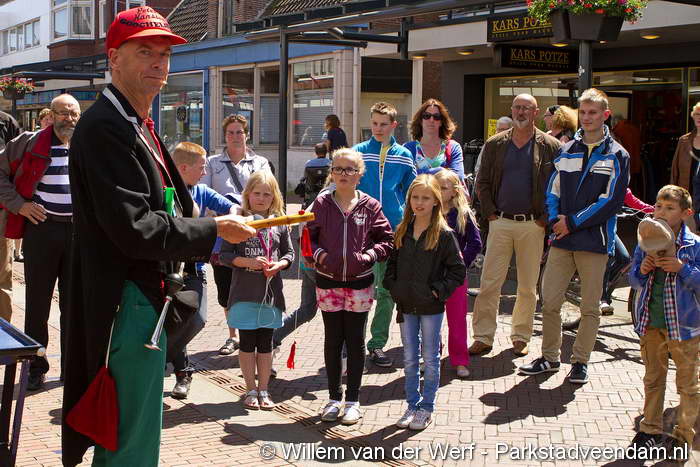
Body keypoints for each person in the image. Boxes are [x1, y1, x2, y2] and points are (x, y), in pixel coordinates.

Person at [62, 7, 256, 466]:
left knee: (133, 432)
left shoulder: (134, 121)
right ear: (114, 58)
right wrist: (214, 229)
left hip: (142, 298)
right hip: (128, 301)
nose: (158, 62)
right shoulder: (107, 126)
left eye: (164, 53)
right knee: (128, 439)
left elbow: (164, 208)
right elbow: (136, 227)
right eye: (145, 51)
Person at [520, 88, 630, 384]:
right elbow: (552, 190)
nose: (587, 117)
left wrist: (572, 222)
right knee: (550, 300)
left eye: (593, 112)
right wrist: (556, 220)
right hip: (563, 239)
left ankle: (580, 362)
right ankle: (550, 358)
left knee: (590, 308)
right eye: (583, 112)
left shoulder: (618, 154)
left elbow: (611, 201)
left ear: (605, 115)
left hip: (594, 242)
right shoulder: (567, 149)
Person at [0, 94, 81, 391]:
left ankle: (72, 367)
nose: (68, 119)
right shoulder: (29, 142)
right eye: (62, 113)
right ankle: (36, 367)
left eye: (73, 114)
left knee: (74, 304)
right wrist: (19, 204)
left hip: (77, 233)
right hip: (42, 230)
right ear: (51, 115)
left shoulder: (88, 144)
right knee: (37, 304)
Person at [469, 94, 560, 357]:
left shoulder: (550, 146)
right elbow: (482, 181)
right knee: (489, 283)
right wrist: (490, 213)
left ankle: (521, 336)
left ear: (535, 112)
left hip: (532, 224)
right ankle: (483, 337)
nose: (521, 112)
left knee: (527, 286)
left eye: (526, 108)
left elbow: (558, 185)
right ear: (511, 110)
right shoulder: (495, 143)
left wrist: (544, 218)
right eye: (517, 107)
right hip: (500, 222)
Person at [306, 148, 393, 424]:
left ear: (359, 174)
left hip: (360, 283)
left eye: (350, 169)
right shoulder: (321, 203)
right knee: (333, 340)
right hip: (328, 281)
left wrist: (368, 257)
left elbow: (387, 240)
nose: (343, 174)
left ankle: (353, 401)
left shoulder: (371, 206)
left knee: (355, 342)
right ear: (332, 172)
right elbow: (308, 237)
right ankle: (334, 398)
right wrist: (321, 255)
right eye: (338, 169)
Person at [383, 175, 466, 431]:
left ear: (436, 201)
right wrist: (394, 287)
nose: (419, 202)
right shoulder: (402, 230)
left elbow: (458, 270)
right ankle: (412, 405)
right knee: (410, 359)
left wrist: (437, 292)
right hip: (406, 305)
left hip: (431, 307)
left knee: (430, 358)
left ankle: (426, 407)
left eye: (426, 198)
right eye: (415, 197)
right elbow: (392, 264)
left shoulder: (443, 234)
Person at [628, 185, 700, 461]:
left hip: (685, 327)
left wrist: (683, 269)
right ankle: (649, 430)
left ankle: (682, 436)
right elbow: (634, 280)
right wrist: (642, 270)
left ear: (685, 213)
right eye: (658, 206)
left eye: (670, 208)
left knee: (688, 385)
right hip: (652, 322)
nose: (661, 212)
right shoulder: (645, 240)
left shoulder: (694, 245)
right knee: (653, 379)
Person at [213, 170, 293, 411]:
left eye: (267, 194)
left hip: (270, 295)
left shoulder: (279, 222)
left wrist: (279, 265)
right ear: (248, 195)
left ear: (274, 197)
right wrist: (248, 262)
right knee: (247, 343)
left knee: (266, 343)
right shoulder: (239, 222)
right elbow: (224, 255)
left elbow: (289, 253)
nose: (261, 198)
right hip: (244, 294)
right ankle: (250, 389)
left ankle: (264, 389)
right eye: (257, 193)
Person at [168, 142, 237, 399]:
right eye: (201, 166)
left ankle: (162, 357)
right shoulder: (165, 192)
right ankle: (183, 373)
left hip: (195, 268)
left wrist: (236, 214)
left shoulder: (202, 191)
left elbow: (230, 206)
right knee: (176, 321)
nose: (205, 171)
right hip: (168, 270)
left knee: (197, 319)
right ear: (183, 168)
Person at [202, 114, 271, 356]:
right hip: (224, 233)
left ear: (247, 135)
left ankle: (254, 335)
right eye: (230, 132)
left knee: (253, 284)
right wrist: (228, 212)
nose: (235, 136)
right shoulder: (212, 163)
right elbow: (205, 196)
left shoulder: (260, 162)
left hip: (253, 231)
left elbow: (269, 191)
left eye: (239, 132)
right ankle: (233, 336)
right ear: (225, 135)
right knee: (226, 288)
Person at [354, 101, 416, 368]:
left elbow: (412, 192)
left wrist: (408, 224)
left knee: (386, 291)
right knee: (359, 290)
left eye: (383, 124)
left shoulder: (404, 155)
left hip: (392, 231)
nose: (378, 129)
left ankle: (376, 344)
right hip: (359, 231)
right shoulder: (357, 153)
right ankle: (353, 344)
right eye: (374, 123)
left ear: (394, 125)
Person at [434, 169, 482, 378]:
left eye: (443, 188)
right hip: (431, 276)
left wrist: (461, 264)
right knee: (430, 321)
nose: (439, 191)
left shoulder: (463, 213)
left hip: (455, 277)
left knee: (457, 321)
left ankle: (460, 360)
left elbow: (476, 243)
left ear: (454, 191)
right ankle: (431, 356)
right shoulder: (429, 211)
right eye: (436, 187)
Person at [599, 189, 653, 315]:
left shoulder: (622, 186)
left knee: (624, 259)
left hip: (610, 230)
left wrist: (655, 210)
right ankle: (602, 297)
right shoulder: (602, 182)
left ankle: (603, 287)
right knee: (608, 259)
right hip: (598, 229)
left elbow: (634, 202)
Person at [404, 98, 464, 179]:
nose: (431, 120)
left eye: (436, 117)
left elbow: (458, 177)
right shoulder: (408, 148)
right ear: (421, 120)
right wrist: (442, 171)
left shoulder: (453, 147)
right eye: (426, 116)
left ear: (441, 122)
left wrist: (419, 172)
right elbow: (405, 177)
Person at [0, 109, 20, 323]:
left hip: (1, 212)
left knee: (2, 276)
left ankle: (4, 333)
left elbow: (18, 165)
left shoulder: (6, 122)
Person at [297, 142, 331, 209]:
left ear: (316, 152)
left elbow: (305, 177)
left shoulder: (308, 164)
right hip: (327, 192)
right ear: (326, 152)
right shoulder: (331, 163)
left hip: (311, 193)